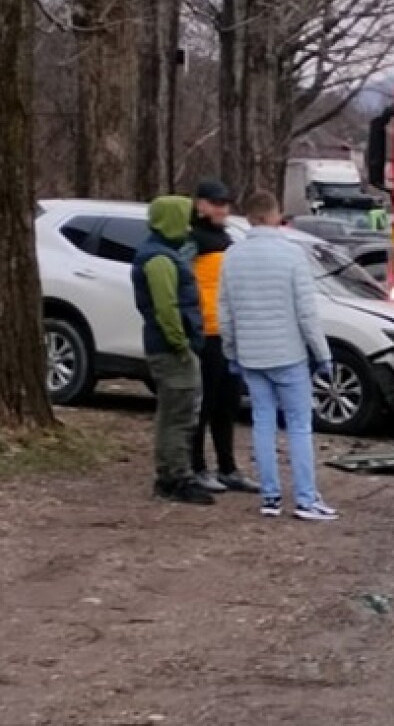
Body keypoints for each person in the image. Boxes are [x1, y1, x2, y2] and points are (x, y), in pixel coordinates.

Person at [220, 190, 340, 522]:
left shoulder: (232, 257)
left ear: (248, 218)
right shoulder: (292, 255)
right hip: (288, 354)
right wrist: (323, 353)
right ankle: (305, 498)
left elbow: (226, 313)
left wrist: (232, 352)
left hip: (252, 356)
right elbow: (306, 313)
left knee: (263, 423)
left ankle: (270, 497)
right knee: (299, 427)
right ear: (274, 215)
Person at [132, 195, 213, 505]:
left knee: (171, 412)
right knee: (180, 413)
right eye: (184, 217)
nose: (190, 224)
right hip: (171, 349)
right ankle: (176, 478)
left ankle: (170, 475)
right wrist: (181, 344)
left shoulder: (161, 253)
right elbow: (167, 308)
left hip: (168, 346)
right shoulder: (160, 259)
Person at [187, 182, 258, 495]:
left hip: (228, 332)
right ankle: (197, 466)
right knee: (203, 404)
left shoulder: (226, 238)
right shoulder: (191, 239)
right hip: (205, 333)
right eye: (217, 203)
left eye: (226, 204)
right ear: (200, 204)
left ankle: (227, 467)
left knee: (226, 404)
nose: (223, 209)